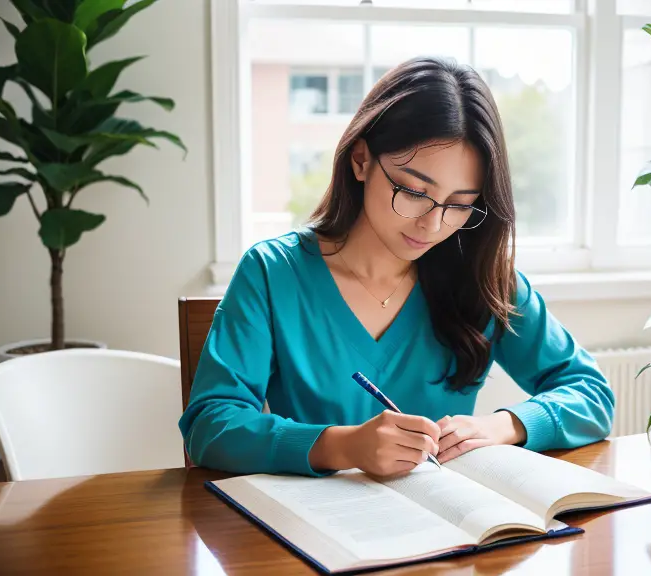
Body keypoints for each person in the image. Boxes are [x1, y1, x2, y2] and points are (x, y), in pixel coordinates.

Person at [178, 56, 614, 478]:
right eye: (414, 192)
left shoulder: (482, 279)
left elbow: (592, 394)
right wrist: (344, 445)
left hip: (448, 531)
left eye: (460, 204)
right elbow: (210, 425)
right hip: (311, 533)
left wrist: (502, 426)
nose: (433, 223)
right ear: (361, 159)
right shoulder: (273, 273)